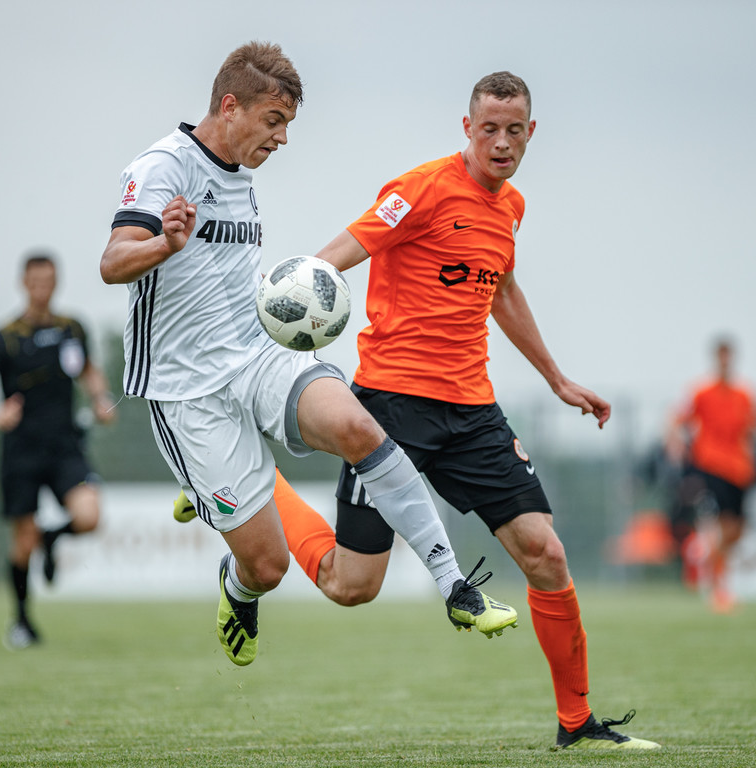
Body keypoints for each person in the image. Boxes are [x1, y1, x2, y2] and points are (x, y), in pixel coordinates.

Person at [174, 70, 661, 750]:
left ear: (530, 133)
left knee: (546, 554)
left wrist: (556, 378)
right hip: (392, 408)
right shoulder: (422, 190)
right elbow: (346, 249)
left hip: (473, 413)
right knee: (352, 586)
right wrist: (294, 291)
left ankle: (576, 724)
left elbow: (503, 291)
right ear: (467, 129)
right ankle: (257, 491)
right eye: (488, 129)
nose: (500, 142)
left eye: (513, 130)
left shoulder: (511, 206)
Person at [100, 41, 517, 669]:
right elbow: (112, 262)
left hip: (255, 354)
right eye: (275, 122)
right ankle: (233, 576)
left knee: (357, 425)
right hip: (187, 389)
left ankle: (455, 585)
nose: (283, 139)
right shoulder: (166, 166)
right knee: (266, 567)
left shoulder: (240, 176)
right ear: (231, 106)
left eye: (288, 125)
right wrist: (164, 244)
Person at [0, 253, 115, 649]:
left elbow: (89, 371)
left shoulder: (71, 327)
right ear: (24, 283)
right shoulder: (5, 336)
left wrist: (100, 397)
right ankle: (22, 621)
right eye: (35, 281)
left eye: (48, 280)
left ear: (55, 282)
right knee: (22, 540)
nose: (42, 287)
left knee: (90, 516)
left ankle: (53, 537)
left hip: (64, 445)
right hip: (21, 450)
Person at [665, 337, 755, 610]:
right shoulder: (702, 392)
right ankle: (719, 589)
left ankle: (706, 557)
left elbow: (750, 429)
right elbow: (676, 420)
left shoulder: (743, 395)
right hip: (712, 466)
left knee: (736, 530)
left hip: (740, 470)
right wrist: (676, 445)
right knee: (723, 526)